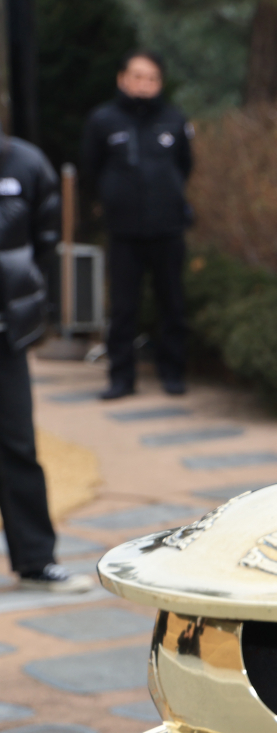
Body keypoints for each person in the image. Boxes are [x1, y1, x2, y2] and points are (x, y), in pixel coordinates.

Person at [0, 131, 93, 593]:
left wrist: (29, 302)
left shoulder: (27, 163)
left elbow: (46, 240)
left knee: (17, 447)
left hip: (5, 336)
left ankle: (36, 560)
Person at [81, 49, 193, 400]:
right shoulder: (103, 120)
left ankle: (172, 372)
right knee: (123, 308)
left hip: (168, 228)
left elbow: (185, 167)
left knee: (172, 303)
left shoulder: (174, 120)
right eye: (138, 76)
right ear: (122, 79)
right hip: (124, 231)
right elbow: (90, 169)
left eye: (152, 78)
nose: (145, 84)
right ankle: (121, 378)